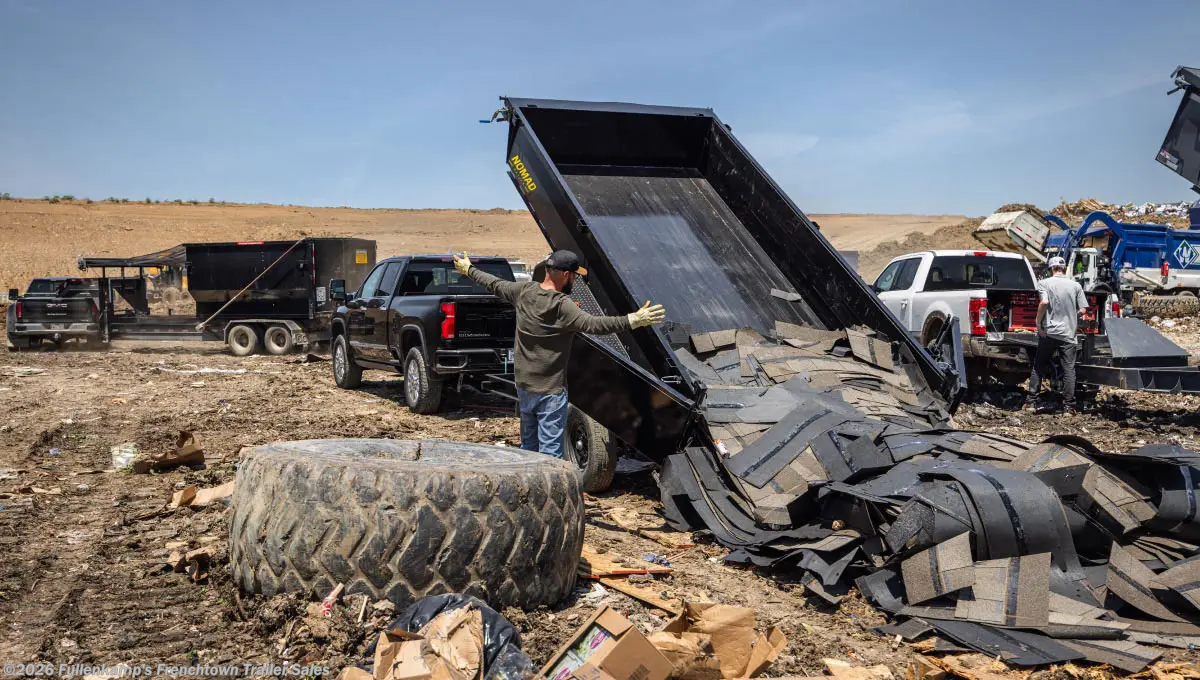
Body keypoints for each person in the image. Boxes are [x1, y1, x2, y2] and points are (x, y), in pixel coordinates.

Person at [452, 250, 666, 457]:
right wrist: (634, 320)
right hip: (550, 391)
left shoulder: (523, 291)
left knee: (529, 446)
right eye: (574, 275)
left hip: (524, 385)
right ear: (566, 275)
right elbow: (594, 324)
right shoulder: (563, 306)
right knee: (550, 454)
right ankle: (549, 492)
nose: (575, 280)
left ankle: (531, 488)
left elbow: (494, 283)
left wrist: (469, 269)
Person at [1026, 255, 1088, 413]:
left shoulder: (1044, 283)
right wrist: (1073, 316)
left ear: (1051, 268)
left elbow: (1044, 302)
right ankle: (1069, 406)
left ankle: (1031, 402)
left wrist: (1038, 322)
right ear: (1064, 267)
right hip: (1068, 334)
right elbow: (1083, 310)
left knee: (1039, 366)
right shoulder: (1075, 286)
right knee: (1069, 370)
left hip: (1050, 333)